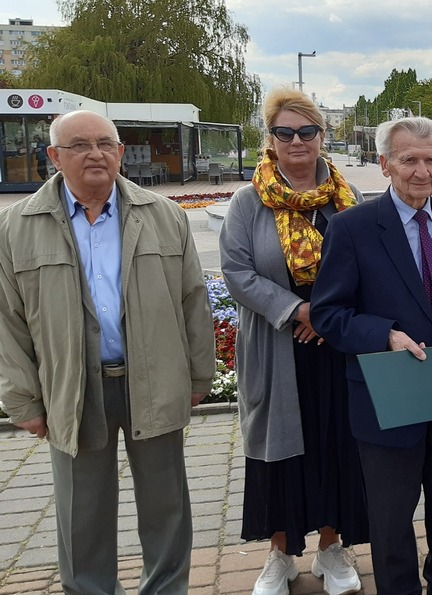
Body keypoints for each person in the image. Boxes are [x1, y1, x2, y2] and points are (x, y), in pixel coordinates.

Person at [0, 110, 215, 594]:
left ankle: (165, 589)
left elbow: (192, 301)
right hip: (73, 387)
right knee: (82, 511)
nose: (94, 153)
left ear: (120, 152)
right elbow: (6, 321)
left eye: (104, 143)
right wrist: (23, 402)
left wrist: (199, 378)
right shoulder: (16, 226)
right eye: (78, 145)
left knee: (167, 507)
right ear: (53, 156)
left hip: (154, 380)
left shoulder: (165, 216)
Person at [310, 116, 432, 595]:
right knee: (392, 516)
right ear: (384, 165)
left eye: (431, 160)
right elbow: (327, 314)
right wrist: (386, 335)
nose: (421, 171)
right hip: (389, 395)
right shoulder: (352, 227)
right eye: (409, 160)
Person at [219, 88, 369, 595]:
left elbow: (369, 267)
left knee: (335, 443)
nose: (297, 140)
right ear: (271, 139)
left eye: (307, 131)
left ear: (322, 137)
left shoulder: (348, 198)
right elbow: (237, 273)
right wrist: (301, 310)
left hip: (336, 347)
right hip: (277, 347)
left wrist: (329, 318)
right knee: (277, 453)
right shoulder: (248, 201)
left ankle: (331, 548)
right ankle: (279, 555)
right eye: (286, 132)